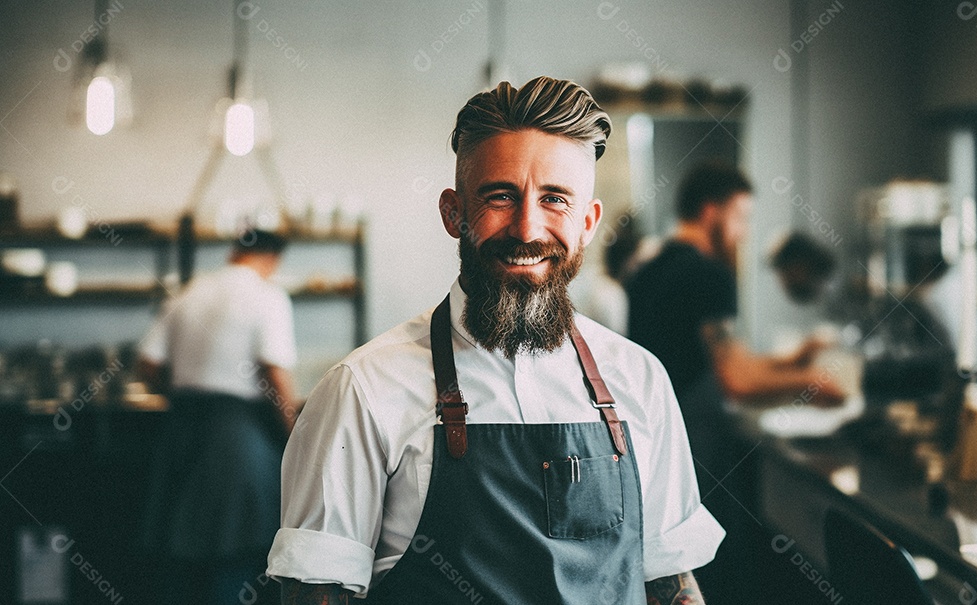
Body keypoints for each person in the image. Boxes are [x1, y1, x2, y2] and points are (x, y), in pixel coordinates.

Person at [267, 76, 722, 604]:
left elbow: (672, 584)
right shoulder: (361, 391)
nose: (527, 228)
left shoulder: (640, 379)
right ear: (453, 213)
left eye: (555, 199)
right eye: (500, 196)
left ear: (589, 222)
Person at [138, 228, 299, 605]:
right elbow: (273, 370)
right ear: (272, 259)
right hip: (236, 436)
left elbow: (147, 364)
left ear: (234, 253)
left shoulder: (188, 292)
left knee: (183, 552)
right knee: (239, 550)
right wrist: (294, 431)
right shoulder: (267, 295)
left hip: (181, 427)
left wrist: (180, 392)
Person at [626, 161, 845, 405]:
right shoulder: (709, 275)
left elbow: (729, 362)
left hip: (656, 430)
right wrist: (811, 381)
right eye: (740, 217)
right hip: (695, 432)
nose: (744, 233)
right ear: (710, 212)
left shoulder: (644, 271)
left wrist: (792, 360)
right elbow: (738, 381)